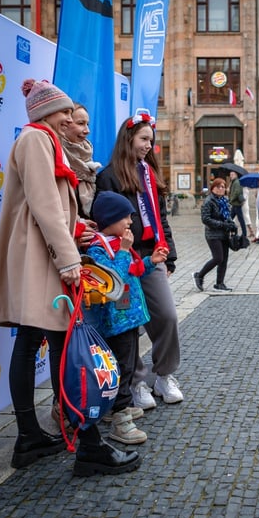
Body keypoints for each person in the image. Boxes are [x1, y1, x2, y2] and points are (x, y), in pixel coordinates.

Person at [0, 79, 140, 475]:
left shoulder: (40, 139)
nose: (72, 118)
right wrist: (70, 258)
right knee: (62, 345)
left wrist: (80, 230)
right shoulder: (37, 139)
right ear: (44, 113)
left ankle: (31, 437)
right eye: (65, 113)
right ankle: (86, 445)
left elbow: (54, 209)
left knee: (37, 342)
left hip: (40, 255)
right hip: (43, 259)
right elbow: (45, 204)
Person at [95, 111, 184, 410]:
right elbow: (103, 221)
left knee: (167, 317)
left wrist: (168, 256)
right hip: (122, 263)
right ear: (128, 138)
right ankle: (135, 382)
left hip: (152, 256)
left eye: (152, 140)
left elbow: (162, 220)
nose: (149, 145)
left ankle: (164, 375)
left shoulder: (151, 174)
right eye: (144, 139)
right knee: (127, 326)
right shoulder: (107, 176)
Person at [85, 191, 168, 445]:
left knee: (129, 364)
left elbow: (133, 271)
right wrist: (123, 251)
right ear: (110, 219)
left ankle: (116, 408)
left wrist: (150, 262)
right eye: (125, 218)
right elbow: (113, 281)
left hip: (129, 320)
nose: (130, 222)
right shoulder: (99, 248)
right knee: (121, 368)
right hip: (116, 323)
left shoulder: (119, 244)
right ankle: (120, 417)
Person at [193, 177, 236, 291]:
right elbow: (205, 219)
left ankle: (219, 283)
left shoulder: (225, 201)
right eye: (218, 186)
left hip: (224, 233)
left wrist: (232, 224)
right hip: (213, 234)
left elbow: (228, 216)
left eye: (223, 186)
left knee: (224, 259)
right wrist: (222, 224)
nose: (221, 189)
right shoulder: (208, 201)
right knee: (218, 258)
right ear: (213, 188)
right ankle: (199, 275)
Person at [61, 103, 102, 219]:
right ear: (64, 124)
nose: (87, 130)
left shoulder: (87, 157)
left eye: (87, 124)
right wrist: (78, 224)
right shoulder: (55, 156)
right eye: (80, 123)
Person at [227, 170, 246, 237]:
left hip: (236, 204)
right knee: (229, 219)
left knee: (240, 220)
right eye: (230, 174)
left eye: (232, 174)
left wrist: (231, 200)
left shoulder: (237, 182)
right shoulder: (233, 182)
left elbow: (237, 192)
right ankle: (227, 231)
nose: (230, 176)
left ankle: (244, 234)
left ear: (236, 175)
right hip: (235, 204)